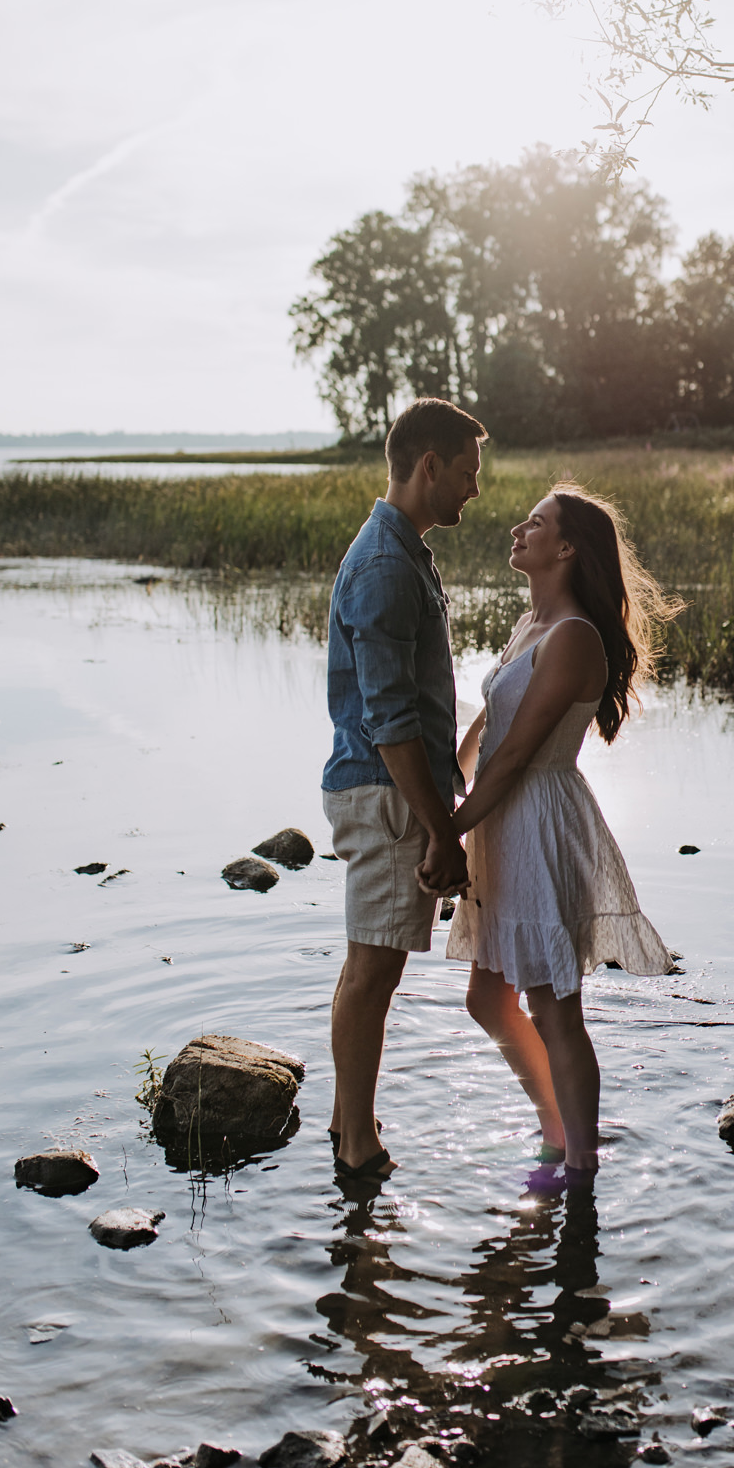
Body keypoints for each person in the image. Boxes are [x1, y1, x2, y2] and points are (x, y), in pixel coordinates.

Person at [430, 485, 677, 1189]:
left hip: (536, 818)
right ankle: (555, 1126)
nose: (517, 528)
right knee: (487, 999)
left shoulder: (573, 636)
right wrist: (439, 788)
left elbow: (517, 756)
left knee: (553, 1005)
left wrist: (450, 832)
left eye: (534, 523)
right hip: (499, 819)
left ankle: (580, 1164)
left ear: (566, 548)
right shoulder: (530, 623)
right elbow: (487, 733)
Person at [322, 397, 486, 1183]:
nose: (473, 490)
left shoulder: (402, 552)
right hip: (387, 793)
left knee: (371, 966)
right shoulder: (388, 566)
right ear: (429, 467)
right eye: (465, 473)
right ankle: (357, 1148)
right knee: (373, 970)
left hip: (392, 791)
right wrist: (440, 829)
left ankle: (345, 1117)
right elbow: (389, 723)